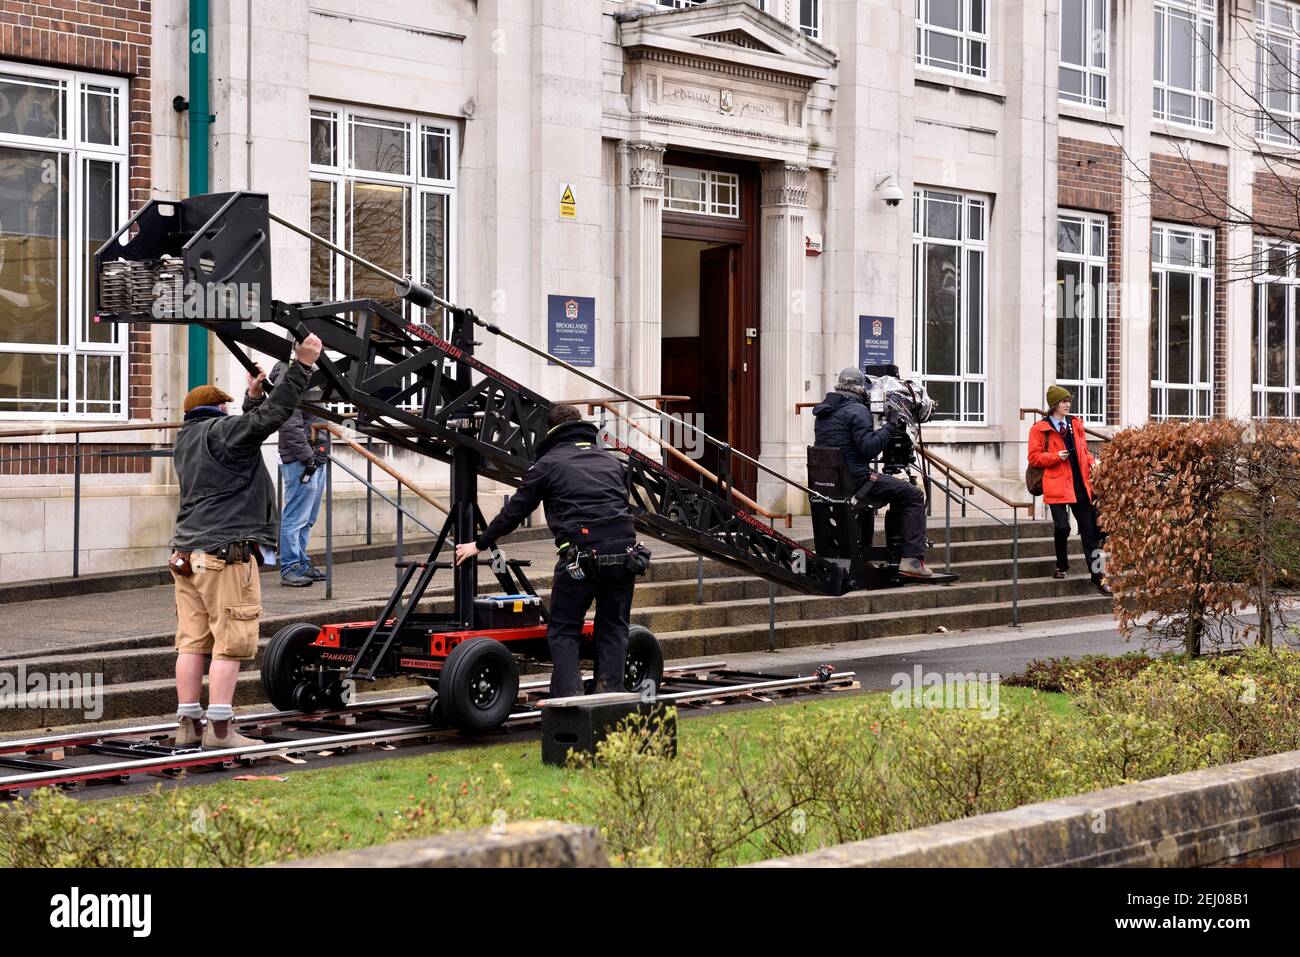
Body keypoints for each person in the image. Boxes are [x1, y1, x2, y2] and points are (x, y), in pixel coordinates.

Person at [169, 333, 323, 749]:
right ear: (219, 410)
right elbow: (271, 417)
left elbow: (248, 431)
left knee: (192, 642)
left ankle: (186, 726)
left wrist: (252, 398)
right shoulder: (224, 432)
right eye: (228, 407)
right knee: (230, 642)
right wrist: (302, 365)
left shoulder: (185, 440)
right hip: (226, 556)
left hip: (187, 555)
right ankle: (220, 731)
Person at [453, 403, 642, 698]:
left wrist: (479, 543)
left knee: (564, 631)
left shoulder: (548, 463)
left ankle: (570, 701)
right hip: (626, 552)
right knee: (614, 627)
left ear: (551, 431)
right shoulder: (612, 461)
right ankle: (610, 697)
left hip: (581, 555)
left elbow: (514, 511)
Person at [813, 367, 935, 578]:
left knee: (882, 498)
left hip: (829, 483)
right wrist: (890, 425)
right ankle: (912, 560)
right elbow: (869, 448)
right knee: (913, 495)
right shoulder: (857, 410)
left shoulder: (823, 412)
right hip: (856, 481)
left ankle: (865, 556)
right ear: (861, 388)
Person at [1026, 385, 1111, 596]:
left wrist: (1092, 463)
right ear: (1054, 404)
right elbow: (1034, 457)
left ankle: (1099, 577)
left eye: (1069, 402)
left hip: (1081, 485)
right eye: (1064, 401)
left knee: (1092, 532)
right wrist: (1056, 456)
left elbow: (1083, 451)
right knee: (1062, 527)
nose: (1068, 405)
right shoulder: (1040, 428)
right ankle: (1062, 565)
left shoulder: (1075, 424)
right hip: (1055, 484)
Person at [264, 359, 331, 587]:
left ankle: (301, 563)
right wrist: (308, 458)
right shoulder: (291, 378)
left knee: (307, 518)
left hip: (313, 457)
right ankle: (290, 567)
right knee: (296, 517)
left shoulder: (307, 376)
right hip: (303, 460)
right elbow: (290, 426)